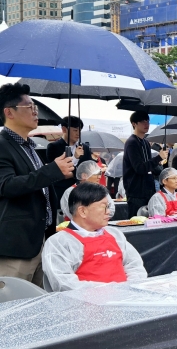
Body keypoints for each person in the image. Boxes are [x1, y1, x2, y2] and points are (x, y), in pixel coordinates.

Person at [0, 82, 74, 286]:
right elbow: (7, 186)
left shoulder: (30, 147)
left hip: (41, 240)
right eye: (30, 107)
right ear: (9, 112)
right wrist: (51, 171)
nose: (36, 112)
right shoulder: (2, 145)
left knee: (37, 305)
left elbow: (37, 185)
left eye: (35, 107)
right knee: (11, 308)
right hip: (16, 246)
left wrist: (56, 173)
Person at [42, 182, 147, 292]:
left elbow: (135, 266)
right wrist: (109, 292)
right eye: (104, 207)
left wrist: (129, 289)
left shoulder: (115, 234)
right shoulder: (59, 243)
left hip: (125, 298)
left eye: (109, 207)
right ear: (83, 211)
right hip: (83, 304)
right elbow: (63, 283)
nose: (109, 212)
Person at [122, 111, 168, 218]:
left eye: (147, 121)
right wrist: (158, 158)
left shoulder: (146, 142)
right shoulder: (132, 142)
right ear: (134, 124)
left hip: (148, 189)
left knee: (150, 222)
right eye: (142, 121)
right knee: (136, 222)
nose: (146, 124)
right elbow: (139, 167)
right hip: (136, 192)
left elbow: (148, 166)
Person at [46, 115, 93, 202]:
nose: (78, 133)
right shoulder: (53, 147)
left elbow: (89, 168)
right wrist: (75, 158)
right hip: (61, 192)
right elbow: (56, 173)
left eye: (79, 130)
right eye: (75, 130)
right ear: (64, 129)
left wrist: (76, 174)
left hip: (82, 191)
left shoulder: (84, 148)